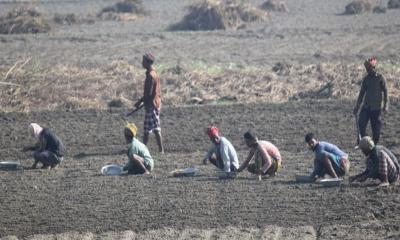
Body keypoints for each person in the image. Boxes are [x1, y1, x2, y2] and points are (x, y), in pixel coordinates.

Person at [353, 56, 388, 144]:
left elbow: (385, 90)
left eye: (369, 68)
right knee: (361, 125)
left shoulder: (380, 78)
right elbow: (362, 93)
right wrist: (357, 106)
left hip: (376, 108)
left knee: (376, 129)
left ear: (373, 67)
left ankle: (373, 145)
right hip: (366, 106)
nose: (367, 70)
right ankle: (365, 142)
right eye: (366, 69)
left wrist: (385, 105)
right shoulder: (366, 79)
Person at [134, 53, 164, 153]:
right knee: (149, 128)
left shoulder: (151, 75)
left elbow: (149, 93)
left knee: (154, 128)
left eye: (143, 61)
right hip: (153, 103)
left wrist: (140, 102)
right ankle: (144, 149)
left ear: (147, 62)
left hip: (152, 105)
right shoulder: (153, 72)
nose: (142, 63)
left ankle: (160, 150)